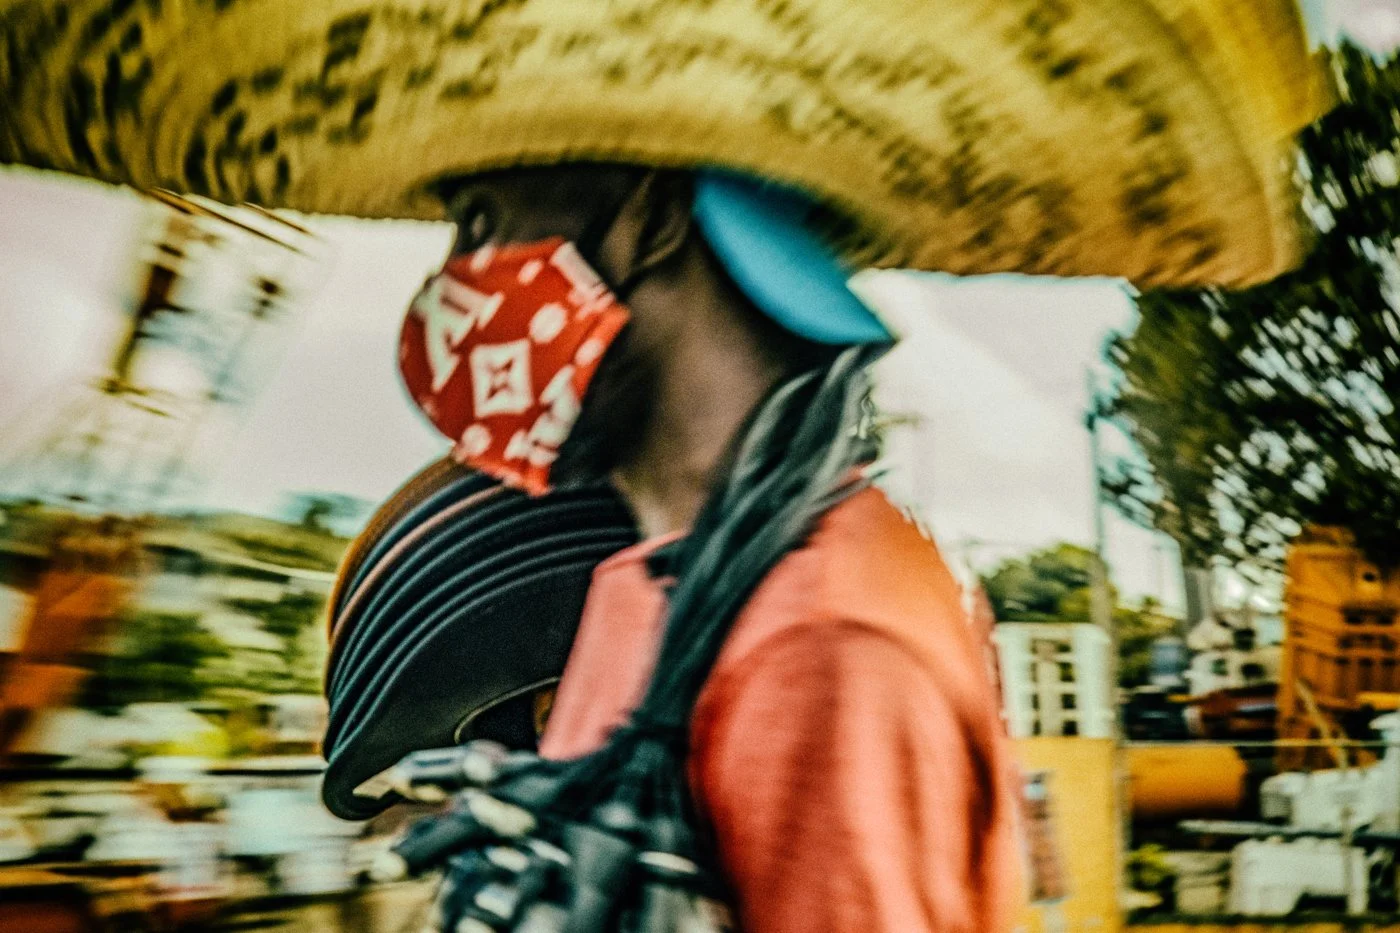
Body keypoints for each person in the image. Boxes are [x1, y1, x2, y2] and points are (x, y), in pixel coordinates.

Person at [394, 161, 1024, 932]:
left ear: (648, 222)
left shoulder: (824, 641)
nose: (451, 276)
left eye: (481, 222)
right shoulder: (642, 581)